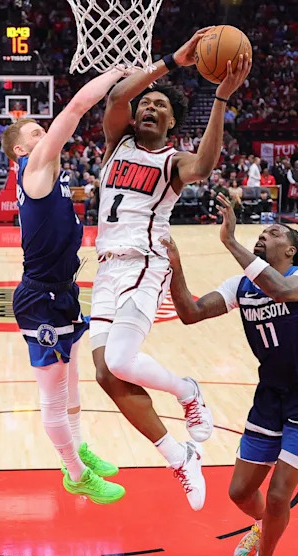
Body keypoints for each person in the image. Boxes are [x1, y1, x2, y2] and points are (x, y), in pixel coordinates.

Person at [91, 29, 251, 510]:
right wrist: (170, 62)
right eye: (147, 103)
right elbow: (119, 94)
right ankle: (179, 455)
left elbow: (204, 165)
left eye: (160, 106)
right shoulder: (114, 145)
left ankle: (187, 391)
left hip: (146, 263)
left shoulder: (173, 161)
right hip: (105, 269)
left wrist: (221, 97)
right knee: (106, 376)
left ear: (172, 123)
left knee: (119, 360)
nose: (148, 107)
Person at [162, 193, 298, 556]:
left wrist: (230, 240)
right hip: (271, 397)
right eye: (259, 233)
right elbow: (189, 313)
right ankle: (262, 527)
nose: (264, 236)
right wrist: (175, 262)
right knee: (240, 492)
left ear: (290, 249)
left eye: (273, 233)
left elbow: (278, 288)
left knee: (279, 494)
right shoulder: (240, 286)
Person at [1, 66, 128, 503]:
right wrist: (113, 75)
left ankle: (78, 450)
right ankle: (74, 472)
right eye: (37, 132)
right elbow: (74, 109)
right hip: (40, 296)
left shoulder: (50, 172)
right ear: (20, 147)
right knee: (53, 397)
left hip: (63, 290)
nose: (46, 134)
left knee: (73, 383)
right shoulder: (33, 166)